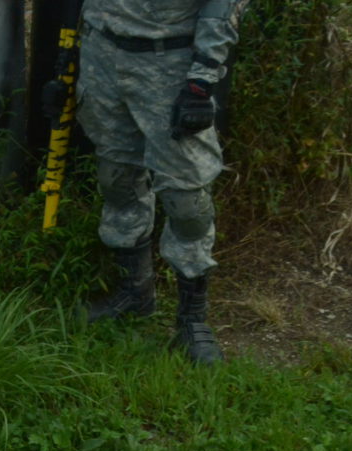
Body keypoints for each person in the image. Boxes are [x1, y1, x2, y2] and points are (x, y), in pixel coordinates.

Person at [65, 0, 249, 364]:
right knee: (117, 179)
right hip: (103, 57)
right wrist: (68, 61)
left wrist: (202, 81)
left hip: (170, 65)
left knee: (187, 203)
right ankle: (134, 293)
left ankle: (192, 321)